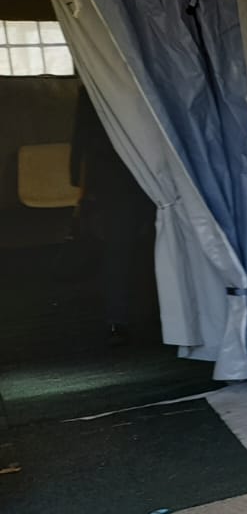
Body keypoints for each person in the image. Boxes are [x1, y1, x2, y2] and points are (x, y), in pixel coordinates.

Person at [70, 85, 155, 346]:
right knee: (124, 249)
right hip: (123, 177)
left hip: (124, 177)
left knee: (125, 250)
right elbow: (85, 135)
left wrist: (80, 180)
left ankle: (121, 319)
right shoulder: (105, 80)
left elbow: (82, 135)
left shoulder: (98, 80)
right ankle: (120, 318)